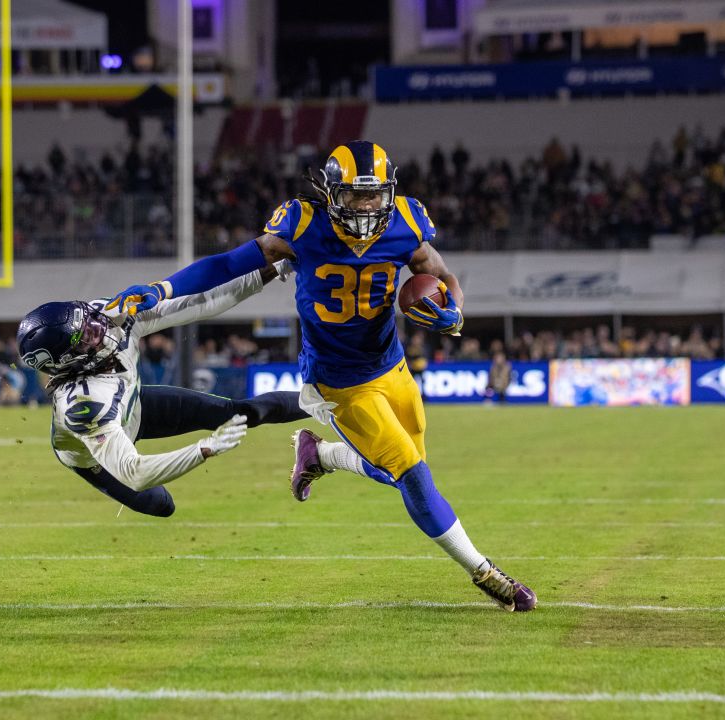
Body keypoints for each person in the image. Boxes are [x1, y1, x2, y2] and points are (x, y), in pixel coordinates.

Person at [108, 141, 536, 611]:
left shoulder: (407, 222)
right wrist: (162, 289)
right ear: (332, 193)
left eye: (375, 196)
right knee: (413, 476)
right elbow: (229, 263)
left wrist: (454, 312)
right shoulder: (302, 224)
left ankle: (322, 455)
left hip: (391, 366)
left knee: (399, 471)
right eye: (356, 196)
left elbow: (441, 274)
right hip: (338, 383)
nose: (368, 206)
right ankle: (484, 572)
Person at [18, 264, 307, 519]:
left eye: (88, 319)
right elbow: (136, 472)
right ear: (67, 361)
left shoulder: (107, 314)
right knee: (161, 505)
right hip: (96, 455)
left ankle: (326, 399)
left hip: (136, 407)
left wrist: (270, 270)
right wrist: (204, 449)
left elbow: (199, 303)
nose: (99, 326)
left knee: (242, 413)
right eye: (86, 336)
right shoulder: (83, 404)